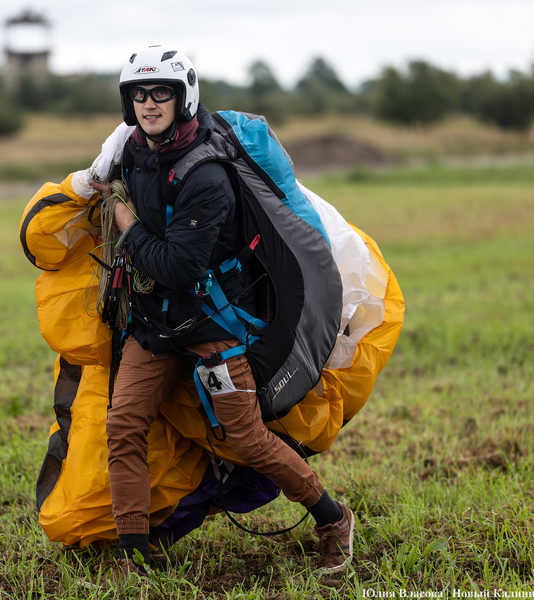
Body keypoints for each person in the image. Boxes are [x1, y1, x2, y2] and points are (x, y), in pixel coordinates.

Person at [87, 47, 355, 578]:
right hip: (154, 324)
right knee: (122, 427)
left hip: (211, 322)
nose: (149, 104)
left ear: (183, 98)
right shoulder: (133, 153)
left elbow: (178, 268)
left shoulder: (205, 174)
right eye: (138, 95)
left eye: (160, 93)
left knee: (246, 438)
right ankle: (134, 558)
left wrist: (124, 222)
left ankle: (333, 519)